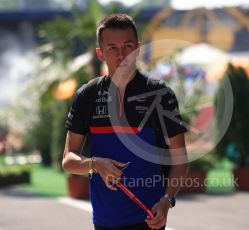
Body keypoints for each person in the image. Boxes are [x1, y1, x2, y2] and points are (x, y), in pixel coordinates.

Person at [62, 13, 189, 230]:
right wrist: (95, 164)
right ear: (100, 53)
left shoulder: (159, 93)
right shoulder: (87, 95)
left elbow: (181, 160)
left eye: (128, 46)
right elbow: (68, 160)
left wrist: (167, 201)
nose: (122, 55)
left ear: (138, 48)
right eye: (112, 47)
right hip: (103, 222)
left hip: (148, 220)